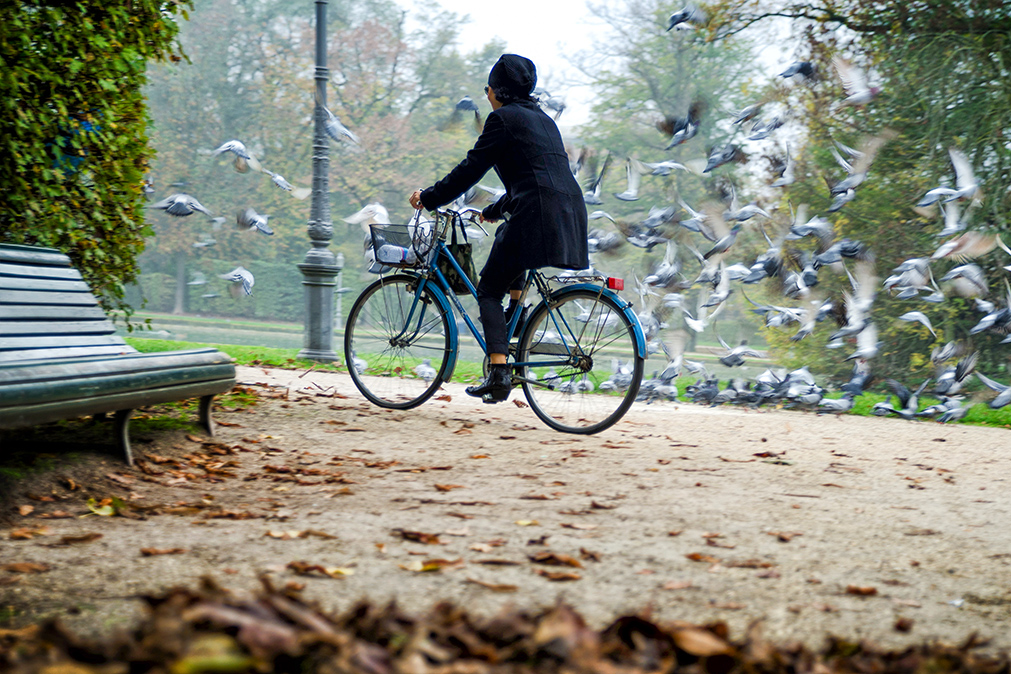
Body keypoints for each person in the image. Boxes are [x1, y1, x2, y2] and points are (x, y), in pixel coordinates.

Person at [409, 54, 588, 404]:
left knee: (489, 289)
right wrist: (493, 209)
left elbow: (471, 169)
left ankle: (499, 371)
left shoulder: (502, 119)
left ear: (497, 91)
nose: (486, 95)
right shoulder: (544, 120)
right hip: (568, 207)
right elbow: (536, 176)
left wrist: (429, 197)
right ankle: (514, 320)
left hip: (536, 212)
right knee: (513, 254)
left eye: (487, 88)